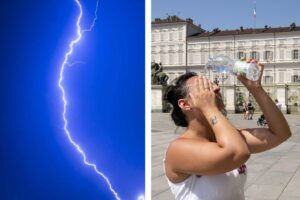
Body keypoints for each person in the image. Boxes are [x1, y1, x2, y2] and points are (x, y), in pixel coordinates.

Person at [163, 60, 291, 200]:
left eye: (212, 83)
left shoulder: (230, 139)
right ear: (185, 104)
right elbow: (237, 153)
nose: (217, 88)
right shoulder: (178, 149)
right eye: (204, 87)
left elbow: (280, 133)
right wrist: (209, 107)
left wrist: (255, 88)